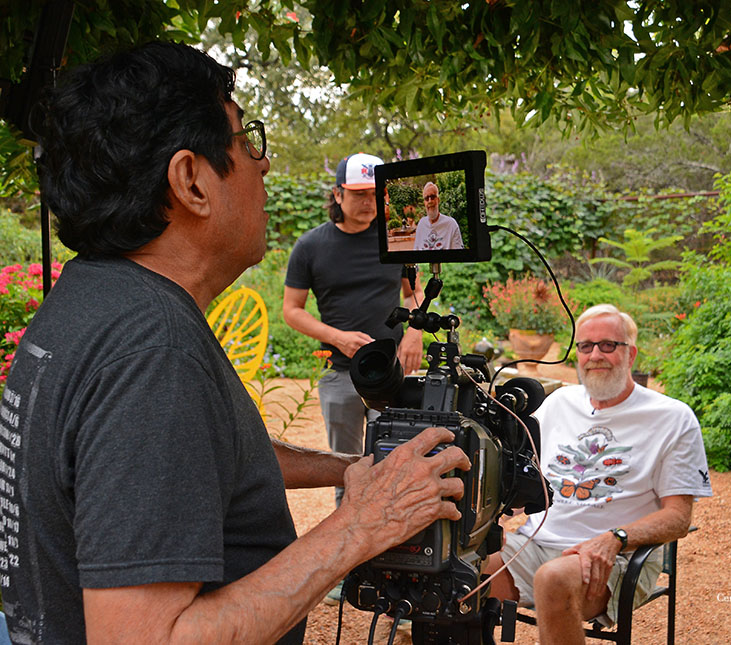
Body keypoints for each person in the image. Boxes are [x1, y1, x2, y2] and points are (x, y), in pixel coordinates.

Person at [0, 42, 470, 645]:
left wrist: (353, 469)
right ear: (192, 181)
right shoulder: (152, 352)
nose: (264, 165)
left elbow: (191, 459)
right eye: (247, 141)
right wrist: (360, 527)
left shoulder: (96, 299)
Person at [486, 304, 712, 645]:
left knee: (553, 579)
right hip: (535, 543)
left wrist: (615, 537)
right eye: (586, 346)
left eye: (608, 345)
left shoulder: (672, 418)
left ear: (631, 354)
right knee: (465, 568)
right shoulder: (559, 402)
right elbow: (524, 477)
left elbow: (679, 517)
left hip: (620, 555)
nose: (595, 355)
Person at [283, 153, 424, 508]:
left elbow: (415, 293)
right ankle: (350, 556)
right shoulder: (310, 246)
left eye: (375, 193)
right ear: (338, 194)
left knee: (394, 464)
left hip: (393, 374)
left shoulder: (395, 240)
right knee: (347, 470)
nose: (368, 202)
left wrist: (414, 333)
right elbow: (292, 311)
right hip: (340, 375)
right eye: (359, 193)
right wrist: (337, 337)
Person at [413, 181, 464, 250]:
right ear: (424, 202)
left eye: (433, 197)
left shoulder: (451, 224)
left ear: (438, 200)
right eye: (426, 198)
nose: (430, 201)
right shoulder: (421, 224)